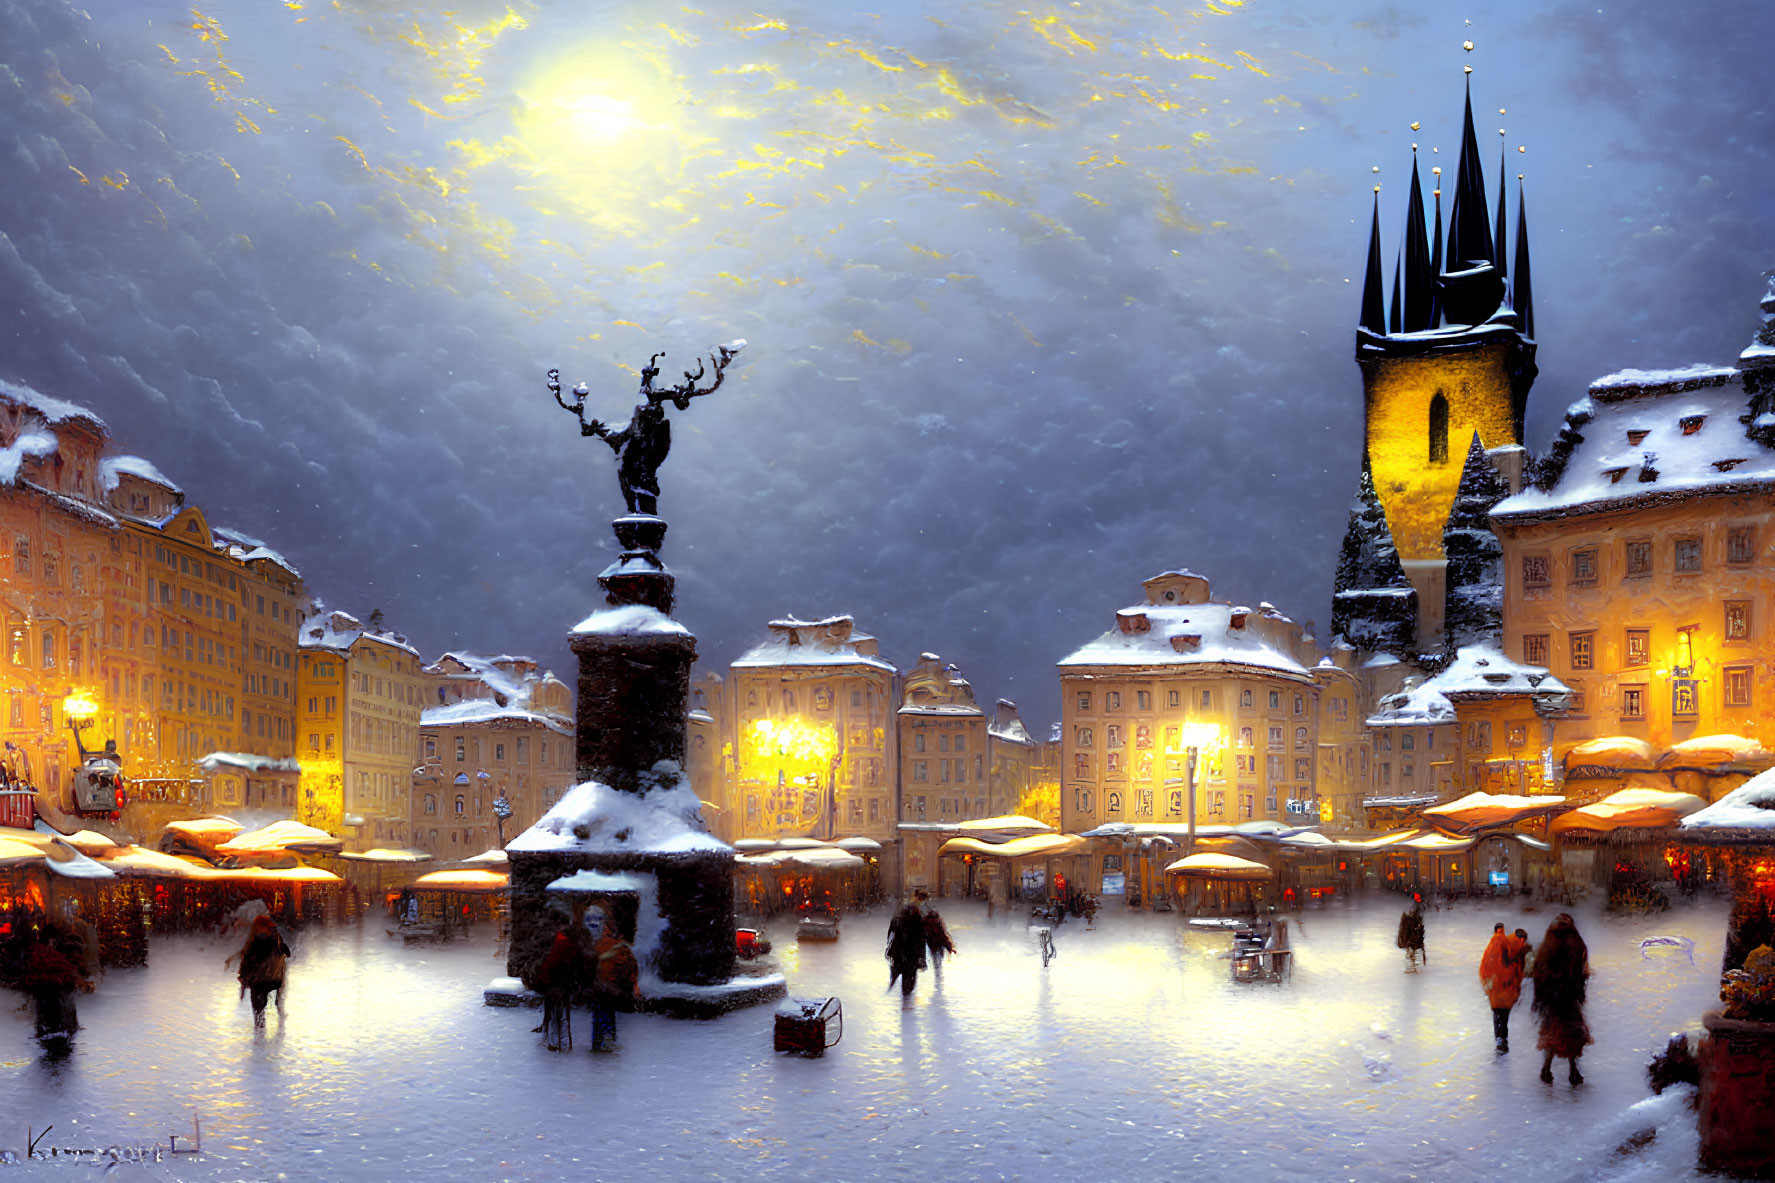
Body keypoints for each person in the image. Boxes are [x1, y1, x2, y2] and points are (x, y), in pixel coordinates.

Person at [1531, 913, 1592, 1084]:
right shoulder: (1575, 944)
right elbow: (1581, 971)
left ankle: (1548, 1069)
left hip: (1554, 999)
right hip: (1567, 998)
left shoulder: (1549, 946)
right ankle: (1572, 1071)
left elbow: (1539, 973)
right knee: (1571, 1035)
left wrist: (1541, 998)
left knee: (1555, 1034)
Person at [533, 911, 584, 1050]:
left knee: (556, 1012)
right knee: (562, 1012)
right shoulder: (571, 939)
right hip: (565, 981)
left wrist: (543, 978)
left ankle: (555, 1043)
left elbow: (551, 963)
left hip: (556, 982)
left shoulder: (561, 941)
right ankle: (564, 1042)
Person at [589, 911, 640, 1052]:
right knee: (607, 1014)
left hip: (598, 985)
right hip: (610, 986)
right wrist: (633, 984)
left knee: (599, 1014)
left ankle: (598, 1042)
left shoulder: (596, 945)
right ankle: (606, 1042)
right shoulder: (619, 947)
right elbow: (629, 967)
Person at [230, 915, 291, 1028]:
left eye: (258, 927)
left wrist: (244, 978)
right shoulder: (268, 938)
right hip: (267, 979)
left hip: (265, 979)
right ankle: (266, 1035)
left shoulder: (269, 940)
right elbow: (248, 959)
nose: (256, 929)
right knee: (261, 1012)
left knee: (262, 1011)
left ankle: (272, 1032)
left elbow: (286, 953)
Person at [1479, 922, 1529, 1053]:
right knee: (1501, 1015)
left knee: (1499, 1015)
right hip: (1501, 987)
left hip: (1501, 989)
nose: (1523, 943)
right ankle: (1501, 1040)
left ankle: (1501, 1040)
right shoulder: (1505, 946)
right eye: (1522, 940)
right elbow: (1509, 968)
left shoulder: (1509, 946)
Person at [886, 900, 927, 1001]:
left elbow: (891, 931)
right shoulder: (916, 918)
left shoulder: (900, 918)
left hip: (902, 951)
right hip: (912, 952)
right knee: (910, 973)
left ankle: (905, 993)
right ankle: (907, 994)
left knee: (905, 971)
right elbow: (922, 936)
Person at [922, 906, 956, 973]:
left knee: (936, 965)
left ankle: (935, 973)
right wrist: (950, 948)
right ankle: (937, 976)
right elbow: (944, 937)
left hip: (932, 947)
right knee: (937, 967)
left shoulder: (927, 925)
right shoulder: (937, 925)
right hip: (937, 947)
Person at [1397, 896, 1427, 972]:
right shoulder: (1415, 915)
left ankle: (1412, 964)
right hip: (1412, 935)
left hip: (1411, 935)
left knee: (1411, 949)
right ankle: (1413, 964)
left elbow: (1403, 926)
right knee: (1412, 949)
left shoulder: (1409, 916)